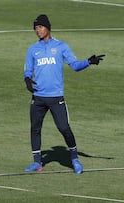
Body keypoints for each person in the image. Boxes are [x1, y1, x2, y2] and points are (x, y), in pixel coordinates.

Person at [23, 15, 105, 174]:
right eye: (35, 28)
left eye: (40, 27)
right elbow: (28, 70)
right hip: (38, 97)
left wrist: (88, 61)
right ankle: (37, 162)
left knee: (64, 128)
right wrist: (27, 79)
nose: (37, 30)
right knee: (35, 128)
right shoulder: (32, 49)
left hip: (56, 97)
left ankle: (74, 159)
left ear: (48, 27)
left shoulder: (61, 47)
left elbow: (74, 65)